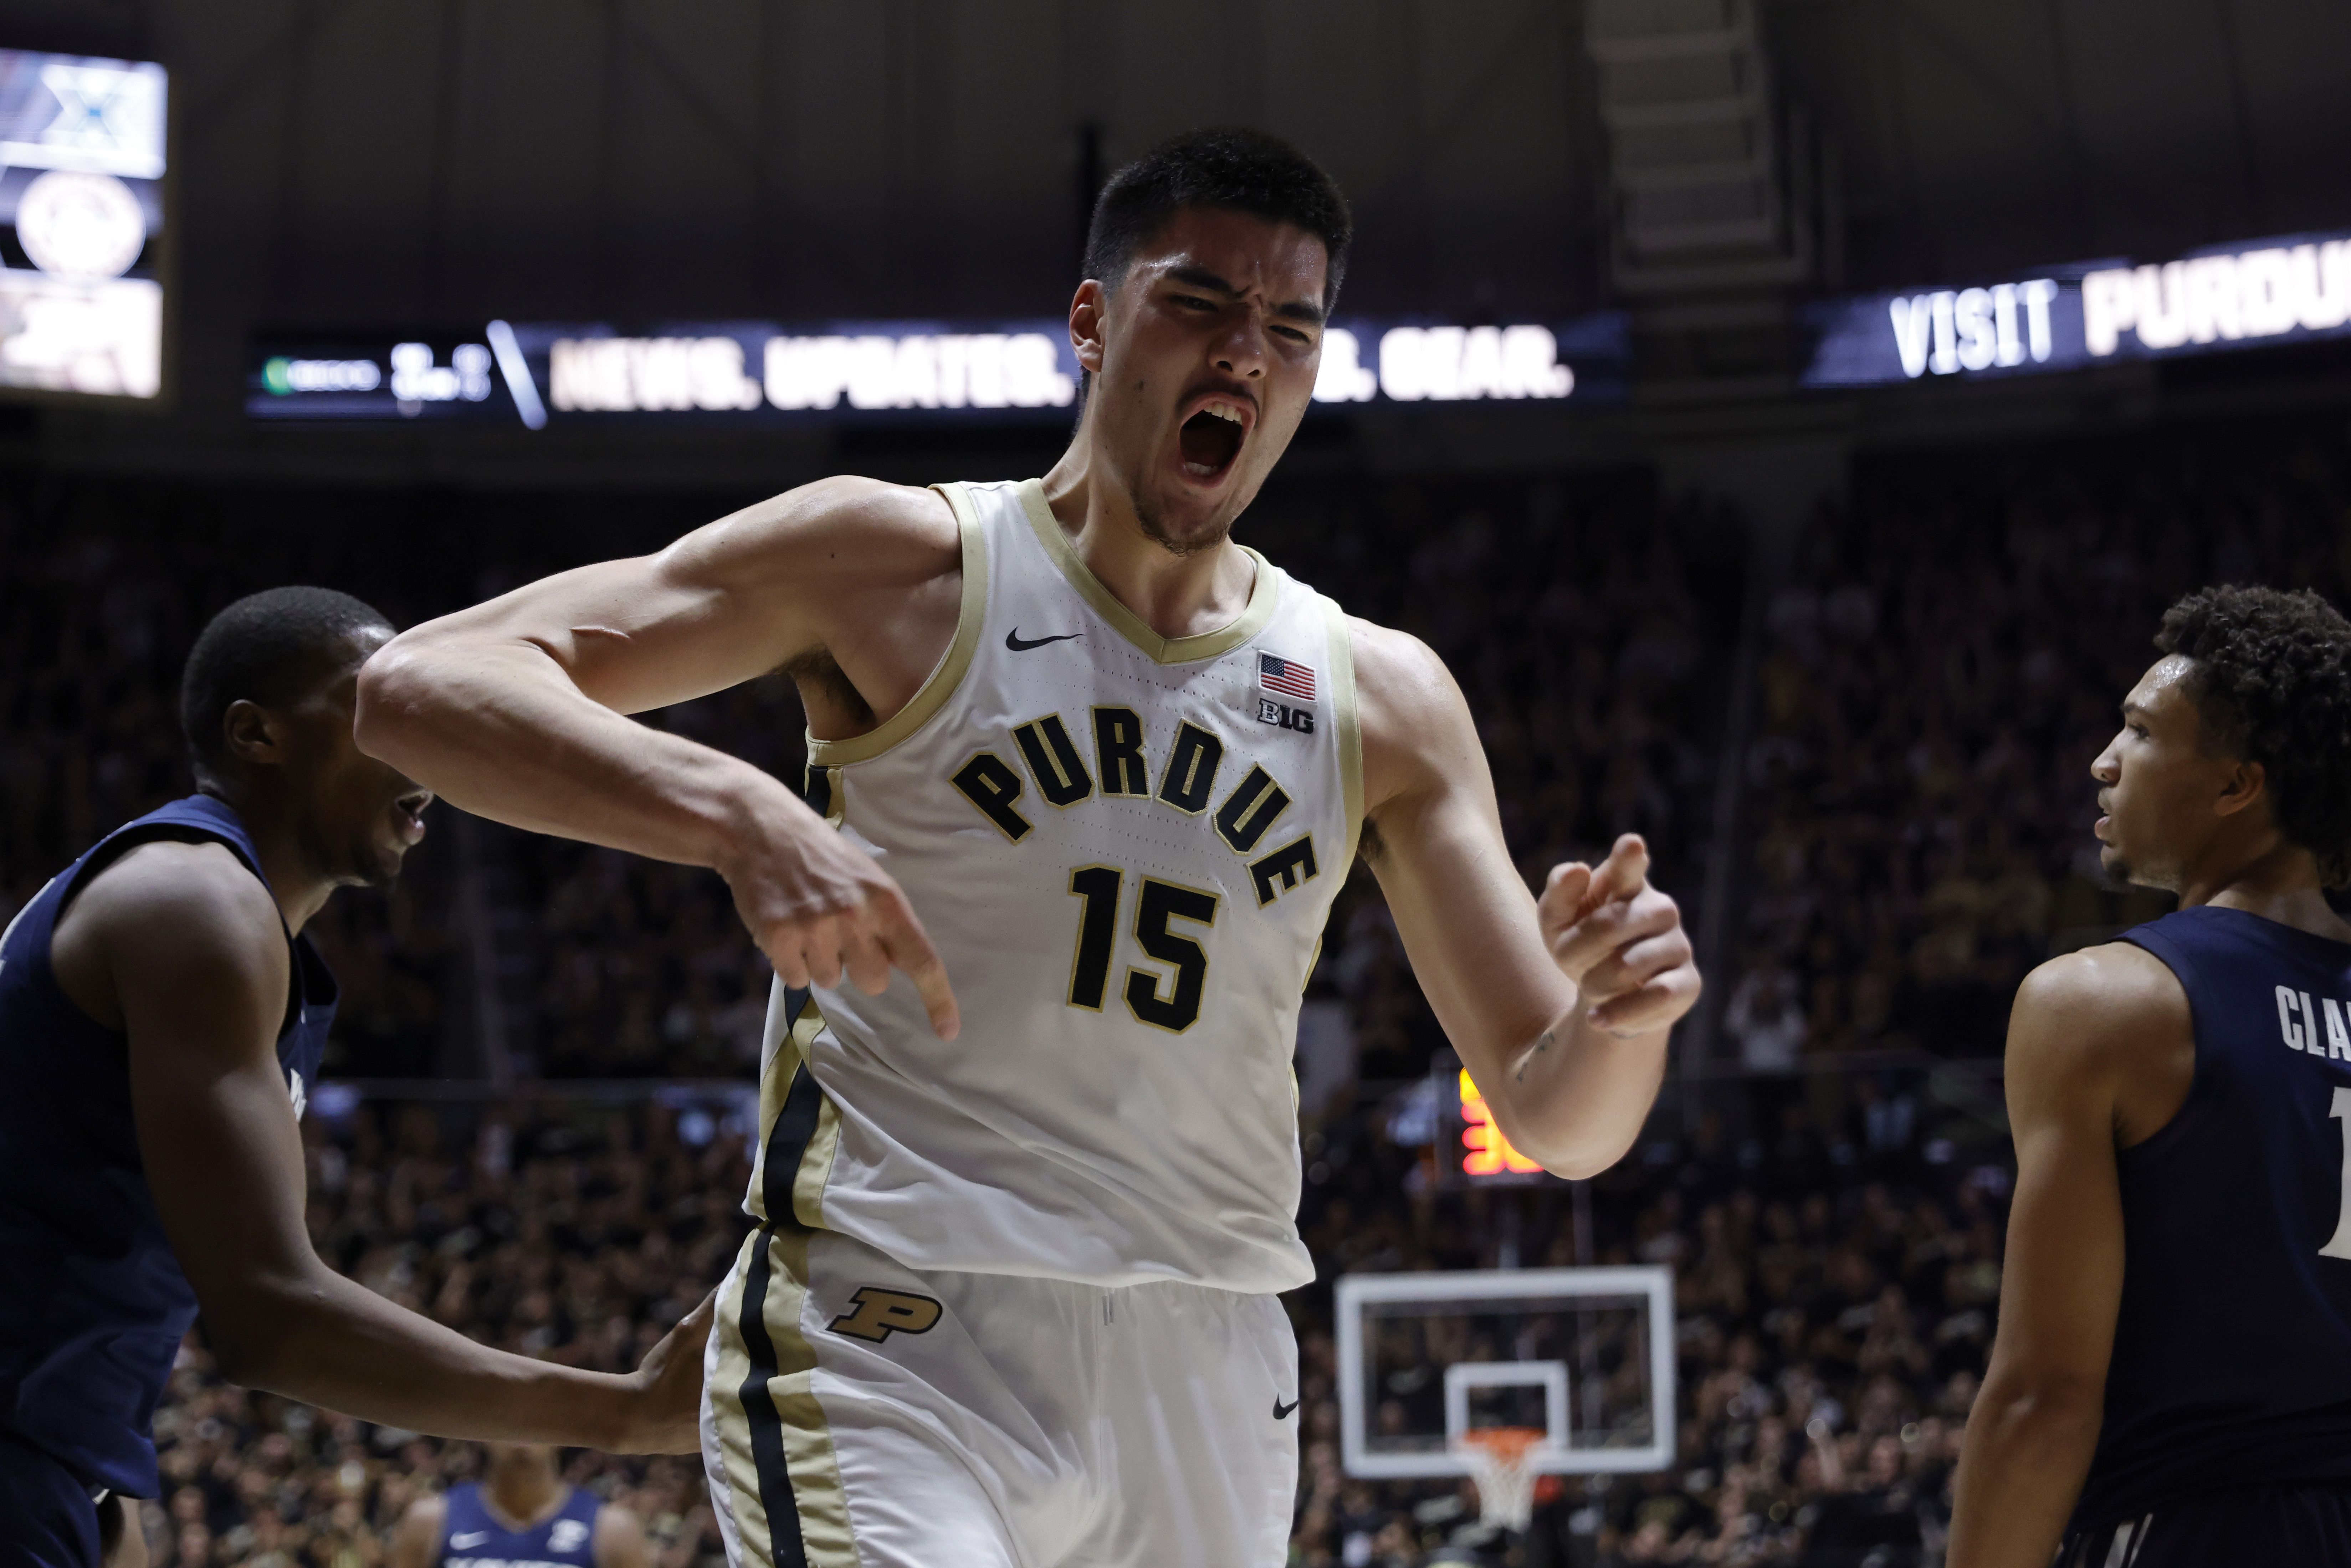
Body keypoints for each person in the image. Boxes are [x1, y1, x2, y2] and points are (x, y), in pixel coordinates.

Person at [356, 128, 1701, 1567]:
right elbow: (417, 689)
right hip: (894, 1333)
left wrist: (1618, 1019)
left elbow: (1560, 1117)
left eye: (1290, 328)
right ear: (1092, 322)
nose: (1245, 353)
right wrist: (738, 810)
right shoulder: (897, 568)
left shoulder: (1382, 695)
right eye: (1200, 304)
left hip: (1209, 1356)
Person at [0, 589, 710, 1568]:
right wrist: (625, 1410)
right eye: (378, 708)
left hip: (57, 1460)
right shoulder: (192, 900)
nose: (421, 742)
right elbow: (268, 1315)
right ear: (257, 735)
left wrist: (103, 1496)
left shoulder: (216, 910)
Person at [1949, 585, 2351, 1566]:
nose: (2102, 759)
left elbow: (2045, 1397)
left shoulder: (2105, 1003)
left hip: (2205, 1527)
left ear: (2234, 786)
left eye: (2136, 729)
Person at [389, 1444, 651, 1568]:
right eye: (509, 1413)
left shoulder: (614, 1529)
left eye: (537, 1413)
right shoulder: (429, 1520)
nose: (522, 1428)